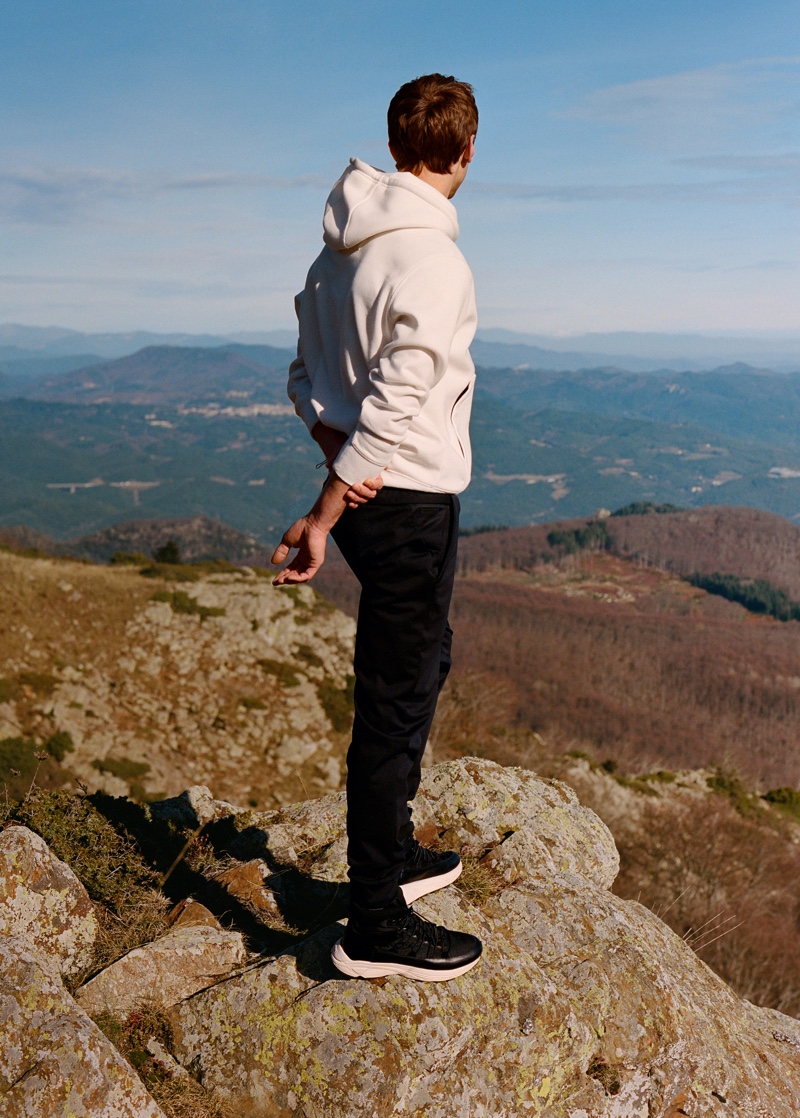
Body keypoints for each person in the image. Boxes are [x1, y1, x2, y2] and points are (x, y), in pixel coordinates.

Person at [272, 73, 482, 982]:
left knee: (422, 662)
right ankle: (374, 923)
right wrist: (331, 505)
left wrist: (337, 464)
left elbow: (300, 378)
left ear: (398, 144)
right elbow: (398, 403)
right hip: (404, 501)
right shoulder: (432, 261)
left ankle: (392, 855)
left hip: (368, 500)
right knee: (396, 703)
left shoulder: (335, 259)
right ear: (465, 154)